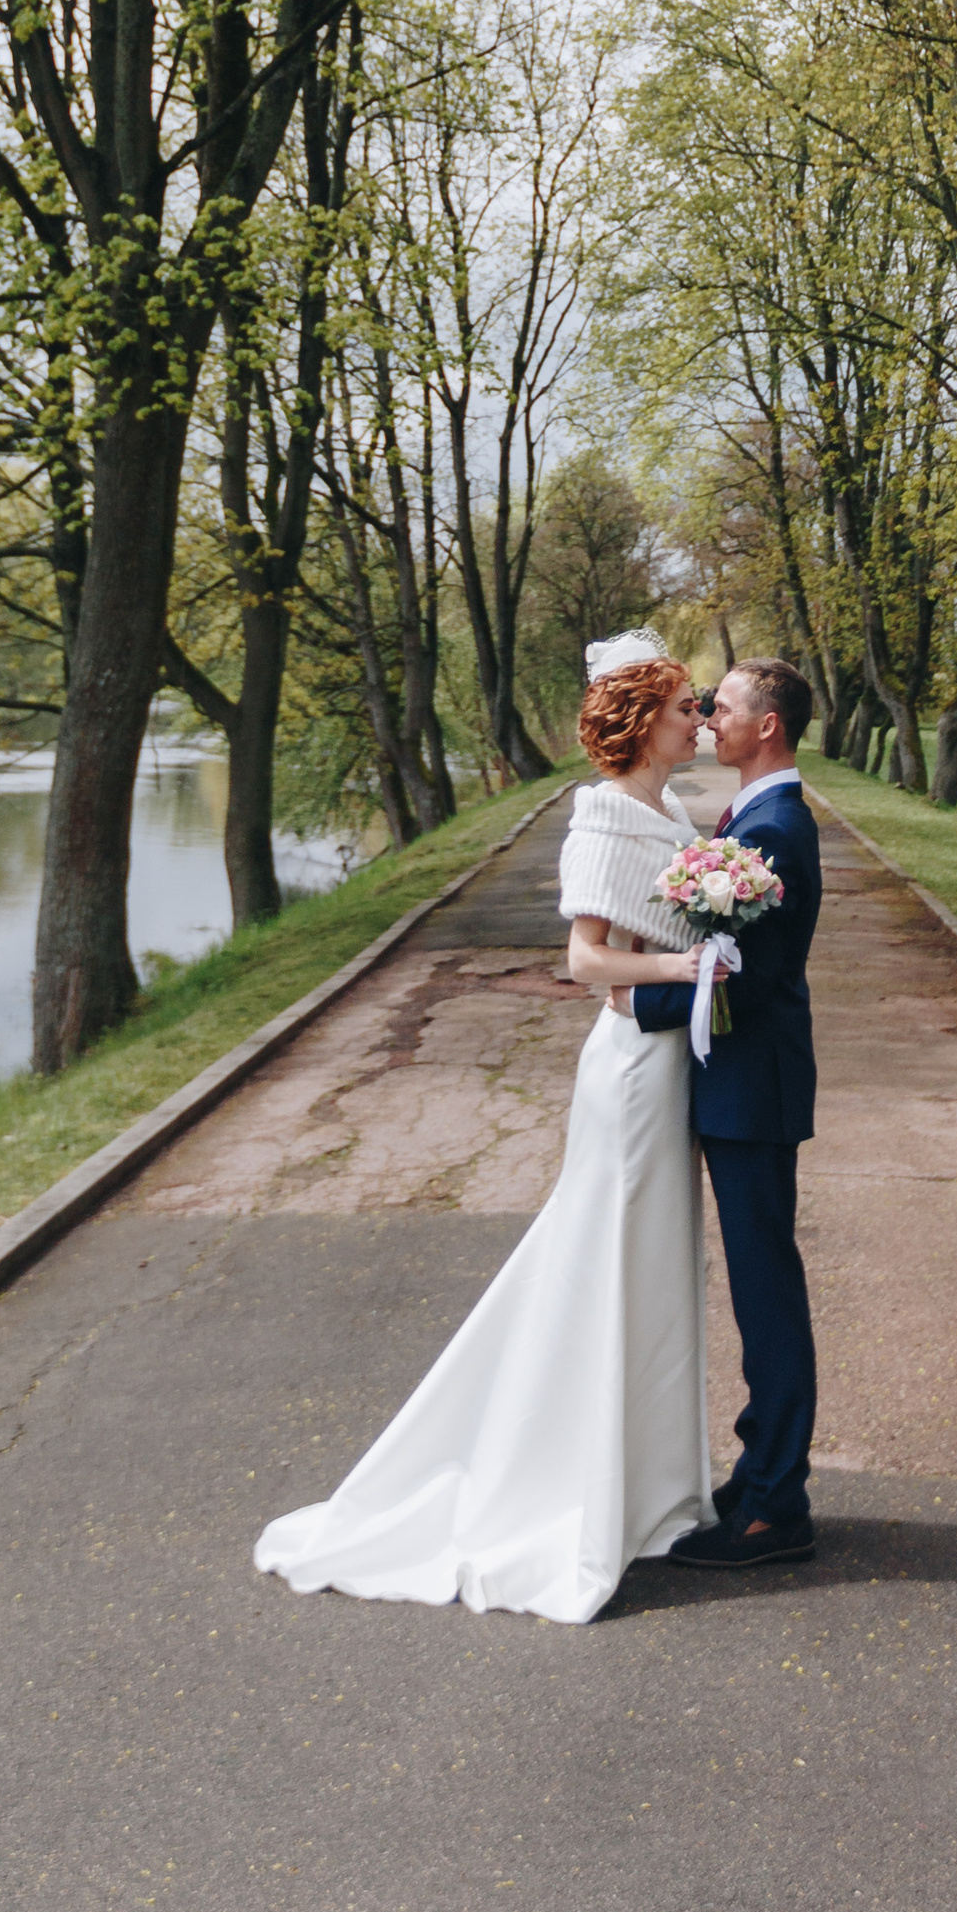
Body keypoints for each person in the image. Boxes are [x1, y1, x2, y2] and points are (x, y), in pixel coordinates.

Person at [252, 635, 711, 1624]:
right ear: (641, 722)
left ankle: (650, 1492)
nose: (697, 719)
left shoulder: (671, 813)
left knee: (655, 1264)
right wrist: (685, 969)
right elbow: (586, 963)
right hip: (632, 1070)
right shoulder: (601, 819)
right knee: (607, 1255)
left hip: (671, 1062)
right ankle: (569, 1487)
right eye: (683, 706)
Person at [631, 658, 822, 1569]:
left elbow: (742, 972)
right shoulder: (754, 814)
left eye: (725, 707)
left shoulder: (775, 827)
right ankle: (758, 1478)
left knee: (766, 1293)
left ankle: (777, 1506)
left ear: (768, 725)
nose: (709, 718)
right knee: (758, 1290)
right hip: (742, 1087)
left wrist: (634, 1000)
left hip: (755, 1093)